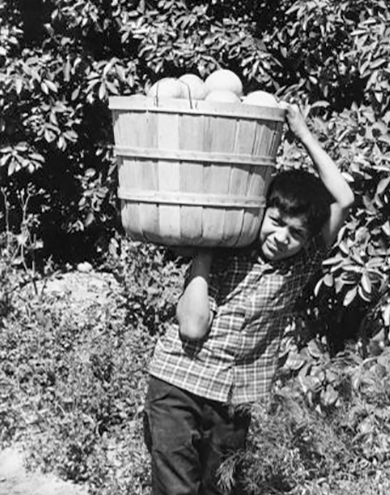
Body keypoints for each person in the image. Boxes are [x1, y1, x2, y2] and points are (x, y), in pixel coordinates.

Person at [143, 103, 354, 495]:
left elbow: (342, 199)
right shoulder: (225, 247)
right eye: (275, 223)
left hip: (235, 399)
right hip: (179, 385)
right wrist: (205, 248)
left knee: (221, 491)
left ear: (307, 240)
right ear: (261, 211)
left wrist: (303, 134)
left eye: (294, 233)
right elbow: (192, 326)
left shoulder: (302, 264)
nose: (280, 238)